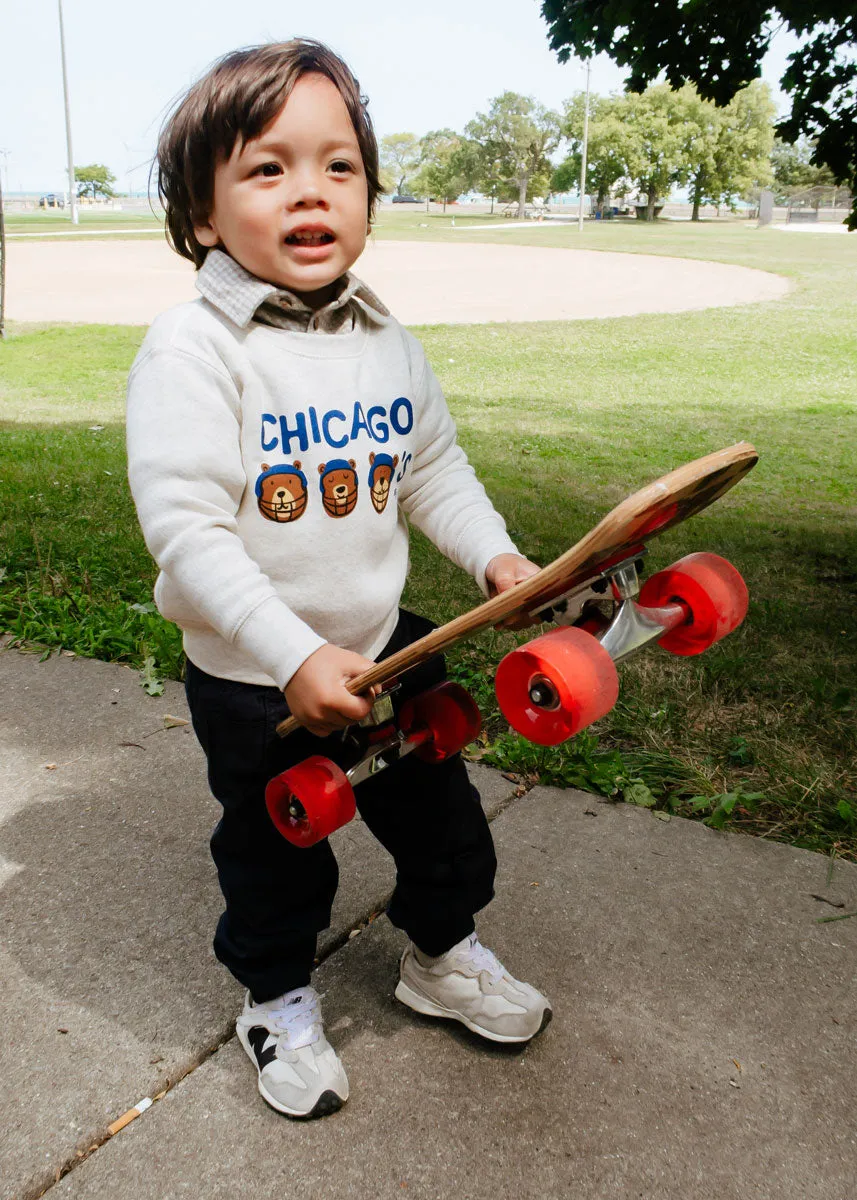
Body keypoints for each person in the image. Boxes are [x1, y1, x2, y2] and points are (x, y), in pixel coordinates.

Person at [127, 39, 551, 1121]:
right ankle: (274, 997)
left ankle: (437, 954)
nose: (309, 190)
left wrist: (497, 559)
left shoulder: (383, 340)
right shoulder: (193, 350)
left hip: (386, 641)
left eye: (339, 167)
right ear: (205, 214)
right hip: (252, 676)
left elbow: (431, 471)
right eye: (268, 169)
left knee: (444, 823)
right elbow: (187, 534)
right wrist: (290, 655)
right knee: (279, 852)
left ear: (368, 194)